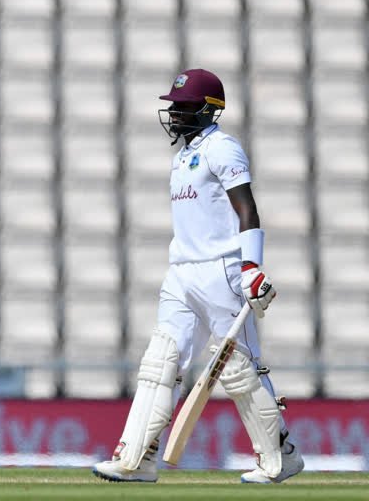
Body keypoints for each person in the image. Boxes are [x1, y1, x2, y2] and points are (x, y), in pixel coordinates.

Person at [92, 69, 304, 484]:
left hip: (222, 271)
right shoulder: (181, 157)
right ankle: (137, 460)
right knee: (159, 362)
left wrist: (251, 267)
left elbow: (247, 209)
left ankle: (280, 459)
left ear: (210, 110)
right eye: (174, 105)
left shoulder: (223, 149)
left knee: (238, 370)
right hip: (181, 273)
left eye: (185, 106)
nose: (174, 113)